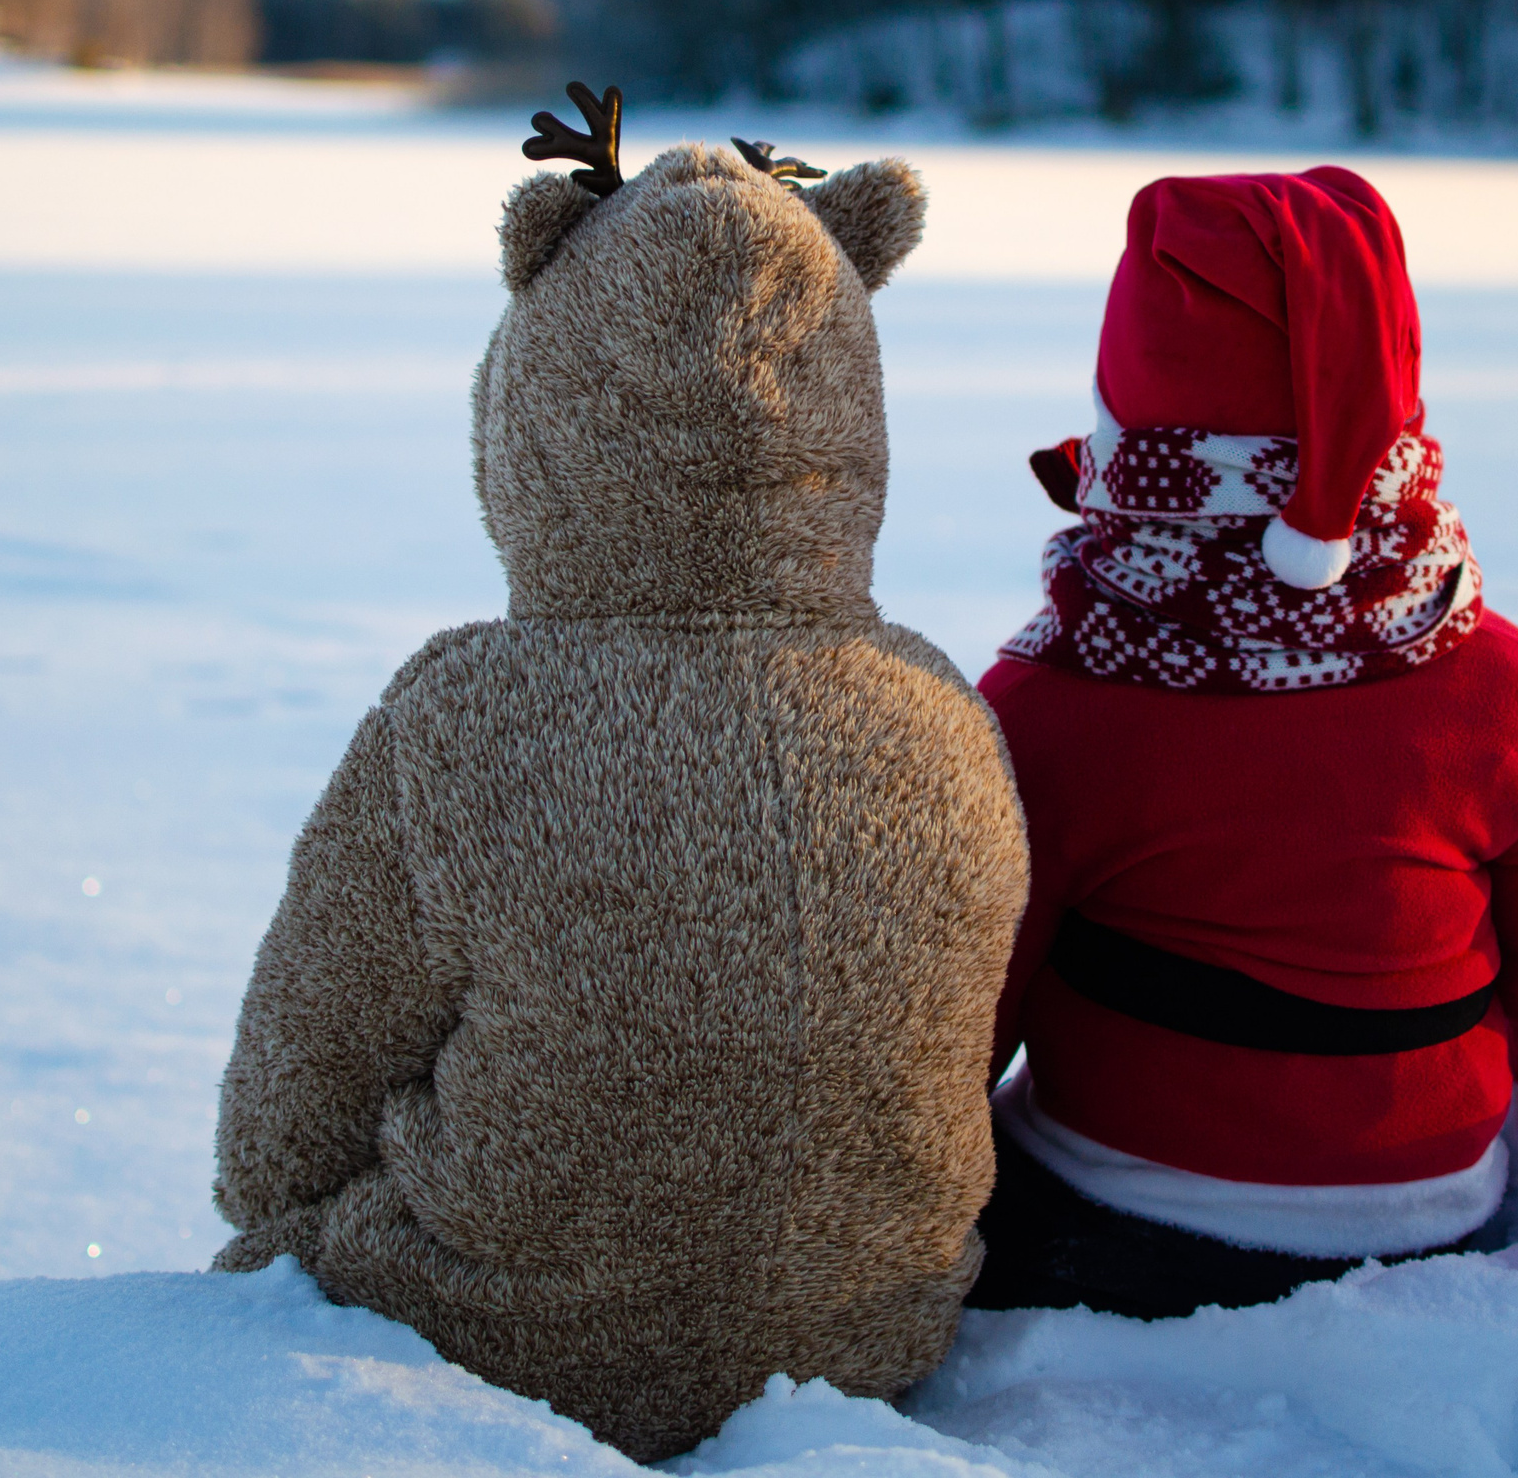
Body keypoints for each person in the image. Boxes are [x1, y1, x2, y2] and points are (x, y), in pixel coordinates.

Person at [208, 91, 1029, 1462]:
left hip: (488, 1343)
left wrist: (285, 1231)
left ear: (535, 402)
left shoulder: (459, 715)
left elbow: (300, 1091)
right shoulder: (942, 706)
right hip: (872, 1345)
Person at [969, 167, 1518, 1320]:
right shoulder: (1491, 679)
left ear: (1130, 433)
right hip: (1436, 1215)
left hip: (1113, 1220)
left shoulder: (1062, 696)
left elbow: (963, 993)